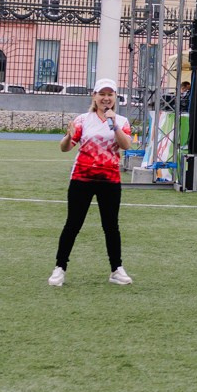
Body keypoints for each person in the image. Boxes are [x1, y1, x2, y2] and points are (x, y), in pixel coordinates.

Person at [51, 80, 134, 287]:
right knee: (73, 224)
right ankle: (60, 268)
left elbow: (125, 145)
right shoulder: (82, 120)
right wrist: (68, 135)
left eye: (110, 94)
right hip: (82, 179)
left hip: (110, 180)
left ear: (115, 97)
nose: (106, 98)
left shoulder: (121, 121)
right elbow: (65, 147)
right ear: (94, 97)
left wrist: (114, 124)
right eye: (102, 94)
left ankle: (116, 269)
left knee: (111, 226)